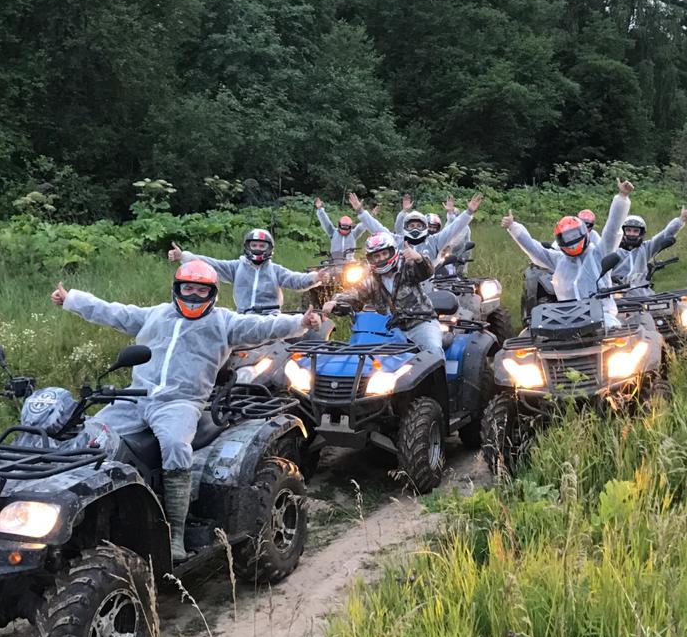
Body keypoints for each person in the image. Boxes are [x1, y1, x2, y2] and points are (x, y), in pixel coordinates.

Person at [51, 262, 321, 562]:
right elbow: (115, 312)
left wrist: (300, 322)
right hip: (135, 397)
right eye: (188, 288)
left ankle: (175, 533)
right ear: (177, 289)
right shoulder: (157, 315)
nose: (193, 295)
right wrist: (72, 299)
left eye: (201, 290)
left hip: (180, 402)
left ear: (212, 293)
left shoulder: (224, 322)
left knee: (176, 446)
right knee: (89, 435)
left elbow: (261, 326)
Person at [500, 180, 634, 326]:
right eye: (566, 238)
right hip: (567, 318)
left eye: (574, 235)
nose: (572, 242)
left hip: (603, 315)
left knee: (618, 332)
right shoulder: (559, 260)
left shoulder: (598, 253)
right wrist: (513, 227)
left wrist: (622, 198)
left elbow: (612, 230)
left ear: (584, 232)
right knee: (534, 334)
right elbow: (535, 249)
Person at [321, 231, 443, 356]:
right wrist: (336, 302)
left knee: (433, 350)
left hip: (421, 323)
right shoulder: (371, 279)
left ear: (392, 251)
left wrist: (419, 259)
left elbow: (426, 272)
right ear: (371, 258)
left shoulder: (406, 266)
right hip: (390, 329)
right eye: (377, 256)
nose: (381, 258)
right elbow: (355, 293)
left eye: (384, 253)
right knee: (370, 358)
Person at [167, 229, 326, 315]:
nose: (257, 249)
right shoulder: (236, 267)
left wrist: (315, 277)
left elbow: (295, 280)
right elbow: (212, 264)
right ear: (247, 247)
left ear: (270, 248)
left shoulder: (275, 270)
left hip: (271, 316)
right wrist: (184, 256)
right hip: (243, 316)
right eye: (254, 245)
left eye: (262, 246)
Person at [354, 191, 483, 275]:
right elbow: (377, 228)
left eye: (418, 225)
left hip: (429, 287)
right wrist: (361, 212)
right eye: (411, 225)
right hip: (402, 288)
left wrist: (468, 212)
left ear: (424, 227)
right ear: (405, 227)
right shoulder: (397, 240)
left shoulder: (434, 241)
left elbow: (453, 228)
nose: (415, 228)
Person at [611, 208, 687, 294]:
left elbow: (664, 234)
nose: (632, 234)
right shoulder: (614, 250)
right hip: (616, 292)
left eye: (636, 231)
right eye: (628, 230)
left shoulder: (646, 248)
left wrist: (681, 220)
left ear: (641, 233)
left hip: (641, 291)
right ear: (623, 232)